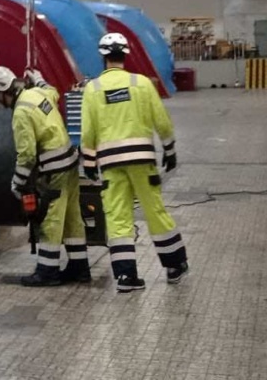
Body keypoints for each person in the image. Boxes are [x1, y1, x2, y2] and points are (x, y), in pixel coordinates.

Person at [77, 32, 189, 293]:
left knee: (117, 216)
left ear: (103, 56)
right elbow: (160, 119)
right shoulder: (141, 84)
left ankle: (126, 277)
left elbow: (87, 132)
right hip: (142, 161)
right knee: (155, 211)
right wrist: (169, 148)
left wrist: (90, 164)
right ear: (125, 54)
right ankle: (174, 266)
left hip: (110, 164)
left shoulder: (92, 90)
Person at [0, 65, 86, 286]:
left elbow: (27, 155)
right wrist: (39, 78)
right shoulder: (36, 93)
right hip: (70, 162)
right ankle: (79, 268)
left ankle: (47, 273)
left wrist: (17, 183)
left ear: (2, 93)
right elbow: (53, 91)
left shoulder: (20, 112)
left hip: (54, 170)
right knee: (72, 217)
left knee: (51, 219)